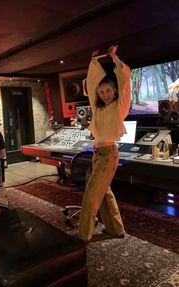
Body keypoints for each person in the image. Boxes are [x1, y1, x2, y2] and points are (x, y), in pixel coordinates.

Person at [78, 45, 131, 241]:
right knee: (104, 194)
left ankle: (83, 237)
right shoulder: (98, 108)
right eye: (102, 91)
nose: (104, 94)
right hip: (97, 154)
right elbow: (91, 86)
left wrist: (114, 57)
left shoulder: (119, 107)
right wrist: (94, 62)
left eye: (108, 90)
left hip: (108, 155)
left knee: (91, 196)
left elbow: (125, 82)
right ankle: (116, 229)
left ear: (114, 91)